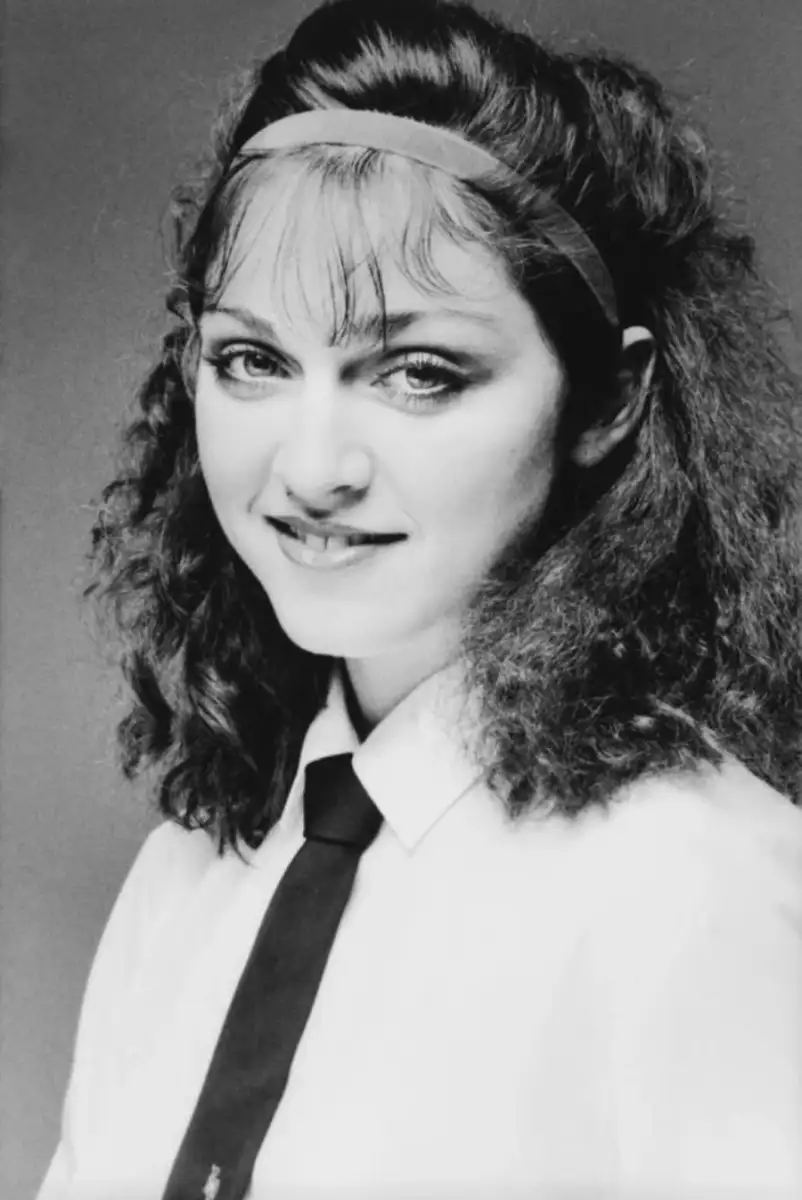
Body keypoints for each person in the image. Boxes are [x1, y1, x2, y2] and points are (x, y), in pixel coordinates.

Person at [38, 0, 802, 1196]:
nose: (310, 466)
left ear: (607, 400)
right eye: (253, 361)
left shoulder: (694, 888)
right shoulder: (191, 873)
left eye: (417, 372)